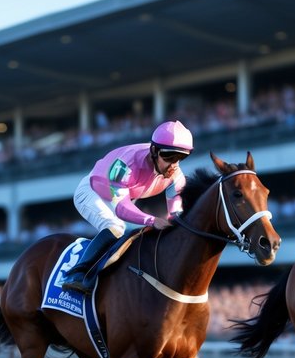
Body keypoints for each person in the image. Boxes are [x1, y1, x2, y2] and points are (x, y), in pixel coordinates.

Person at [59, 120, 194, 293]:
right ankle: (77, 274)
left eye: (180, 157)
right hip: (93, 192)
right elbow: (121, 209)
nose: (174, 164)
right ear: (154, 150)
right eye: (169, 156)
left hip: (124, 198)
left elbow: (176, 214)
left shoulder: (176, 176)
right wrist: (152, 219)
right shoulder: (125, 165)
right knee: (115, 227)